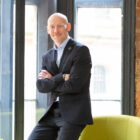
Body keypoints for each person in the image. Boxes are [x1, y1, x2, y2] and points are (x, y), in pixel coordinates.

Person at [28, 12, 93, 140]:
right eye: (52, 27)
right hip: (51, 113)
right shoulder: (47, 56)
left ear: (68, 27)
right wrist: (61, 77)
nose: (55, 30)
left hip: (73, 114)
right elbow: (41, 86)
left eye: (60, 26)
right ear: (47, 29)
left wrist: (51, 80)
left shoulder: (80, 51)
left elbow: (74, 85)